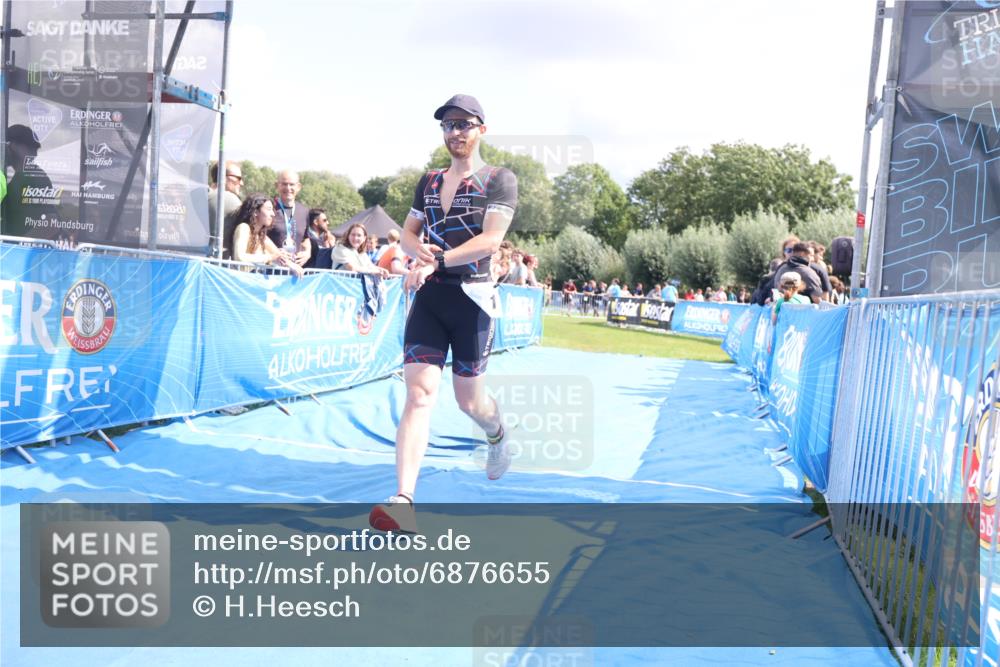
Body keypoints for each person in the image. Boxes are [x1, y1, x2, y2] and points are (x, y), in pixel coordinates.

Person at [368, 94, 518, 533]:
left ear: (481, 130)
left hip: (473, 300)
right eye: (448, 126)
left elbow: (491, 241)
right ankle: (403, 499)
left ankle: (497, 434)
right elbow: (409, 234)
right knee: (418, 395)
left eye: (464, 125)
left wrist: (438, 260)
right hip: (431, 297)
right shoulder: (429, 181)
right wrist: (416, 254)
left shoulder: (499, 179)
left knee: (469, 400)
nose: (456, 132)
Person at [230, 193, 303, 276]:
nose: (273, 214)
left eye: (273, 210)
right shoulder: (244, 228)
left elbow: (277, 255)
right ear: (255, 212)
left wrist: (289, 262)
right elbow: (240, 257)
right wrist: (271, 257)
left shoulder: (261, 236)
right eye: (269, 209)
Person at [267, 170, 311, 266]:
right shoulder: (268, 207)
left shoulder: (304, 211)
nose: (288, 188)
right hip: (270, 271)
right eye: (284, 184)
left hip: (294, 272)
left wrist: (307, 252)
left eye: (292, 184)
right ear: (277, 185)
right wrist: (274, 252)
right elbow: (259, 236)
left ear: (298, 187)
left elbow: (305, 238)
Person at [208, 160, 244, 259]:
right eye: (238, 178)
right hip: (218, 266)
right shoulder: (229, 199)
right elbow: (254, 226)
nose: (241, 183)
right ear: (223, 177)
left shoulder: (204, 196)